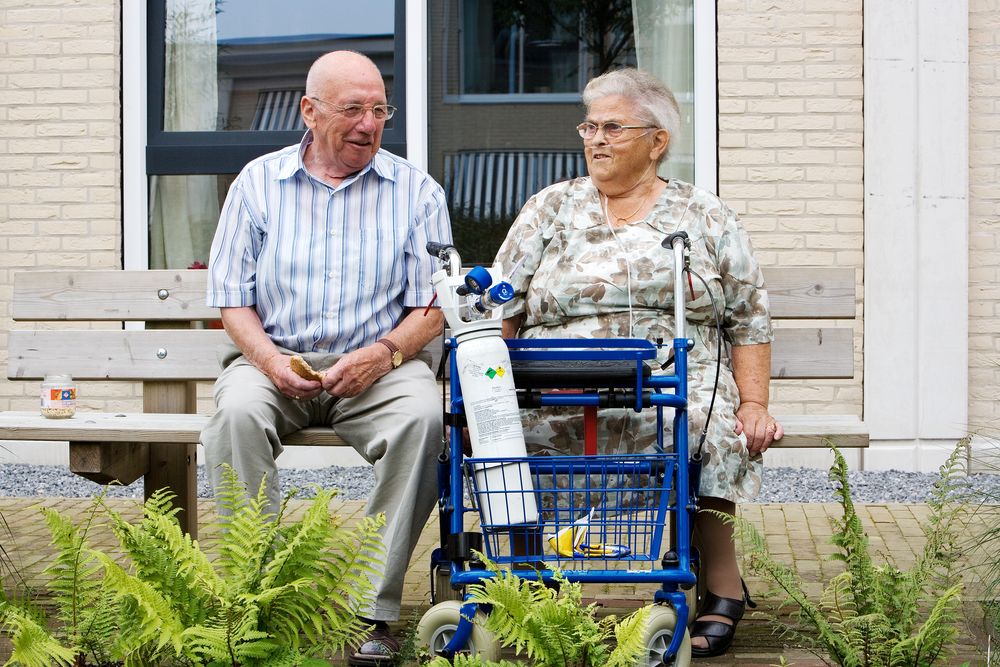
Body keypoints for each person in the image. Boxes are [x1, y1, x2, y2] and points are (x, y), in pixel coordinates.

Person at [494, 68, 782, 658]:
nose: (595, 139)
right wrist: (487, 392)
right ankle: (535, 579)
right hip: (559, 372)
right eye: (590, 126)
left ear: (657, 141)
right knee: (511, 431)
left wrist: (753, 405)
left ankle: (720, 583)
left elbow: (748, 316)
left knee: (702, 425)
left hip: (678, 368)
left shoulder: (704, 215)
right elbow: (502, 304)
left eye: (613, 127)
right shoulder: (551, 208)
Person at [202, 50, 451, 665]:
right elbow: (232, 301)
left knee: (423, 419)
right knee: (234, 415)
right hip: (276, 358)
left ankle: (371, 611)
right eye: (353, 110)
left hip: (377, 366)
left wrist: (385, 352)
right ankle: (258, 599)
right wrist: (267, 361)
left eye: (379, 110)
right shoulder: (257, 184)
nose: (369, 124)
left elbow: (436, 304)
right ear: (309, 112)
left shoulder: (417, 192)